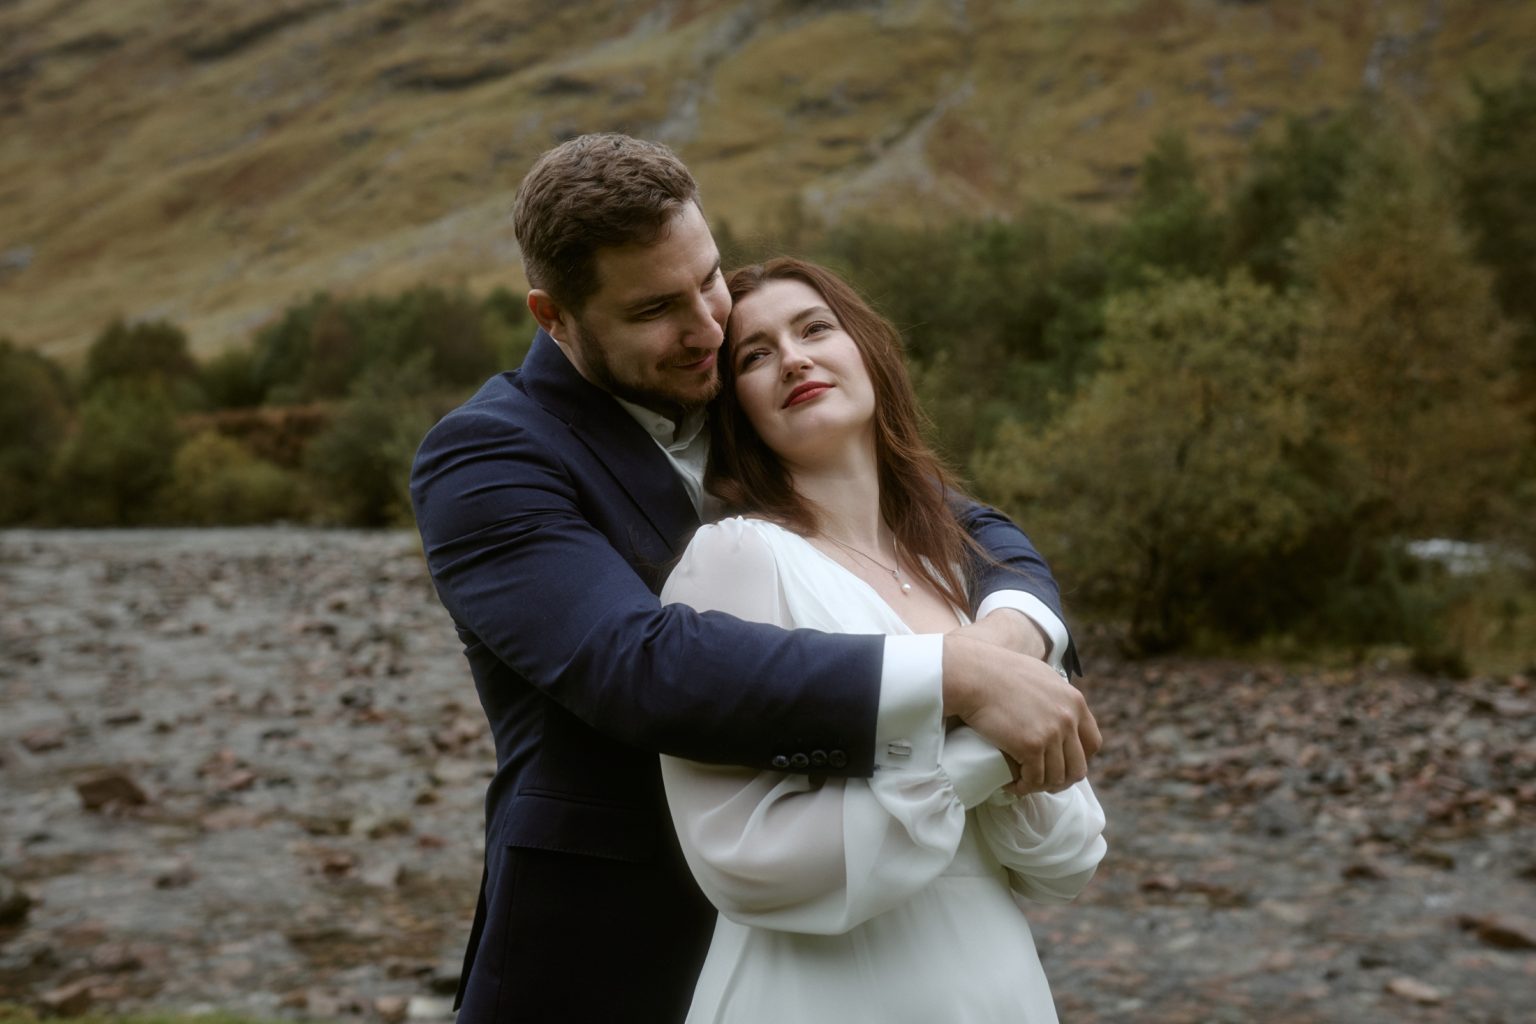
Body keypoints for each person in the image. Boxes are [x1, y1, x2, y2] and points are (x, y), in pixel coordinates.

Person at [409, 133, 1099, 1024]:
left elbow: (969, 530)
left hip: (846, 938)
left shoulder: (744, 381)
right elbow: (637, 663)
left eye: (709, 277)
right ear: (554, 317)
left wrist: (1009, 643)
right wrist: (956, 677)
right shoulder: (488, 455)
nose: (706, 325)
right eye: (658, 306)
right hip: (608, 951)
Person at [660, 257, 1107, 1023]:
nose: (793, 358)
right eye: (755, 355)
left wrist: (1012, 746)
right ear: (737, 407)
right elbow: (741, 862)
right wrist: (983, 753)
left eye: (814, 329)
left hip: (999, 989)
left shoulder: (953, 568)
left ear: (868, 351)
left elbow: (1067, 856)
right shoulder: (736, 557)